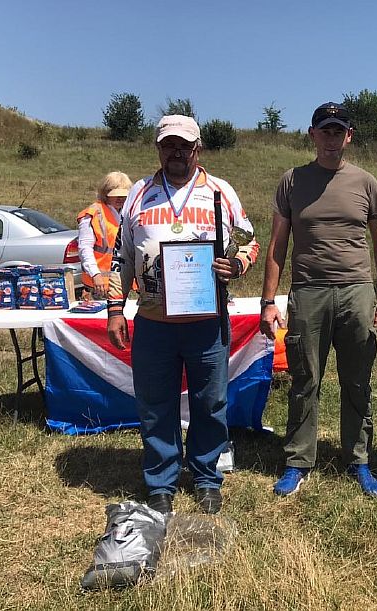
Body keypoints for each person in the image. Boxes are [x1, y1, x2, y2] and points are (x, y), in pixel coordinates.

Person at [106, 115, 259, 515]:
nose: (176, 152)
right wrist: (114, 309)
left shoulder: (221, 192)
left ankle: (207, 477)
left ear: (198, 149)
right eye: (168, 144)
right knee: (156, 404)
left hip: (206, 322)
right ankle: (161, 480)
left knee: (210, 402)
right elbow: (121, 257)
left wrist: (238, 265)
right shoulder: (139, 193)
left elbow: (250, 241)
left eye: (184, 145)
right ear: (158, 148)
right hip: (154, 321)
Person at [259, 102, 377, 497]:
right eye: (325, 131)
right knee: (304, 380)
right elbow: (277, 244)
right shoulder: (292, 181)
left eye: (339, 131)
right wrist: (269, 300)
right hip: (309, 291)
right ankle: (299, 461)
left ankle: (359, 459)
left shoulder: (366, 182)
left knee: (358, 381)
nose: (332, 139)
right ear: (312, 135)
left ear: (348, 137)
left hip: (356, 290)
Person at [77, 171, 132, 299]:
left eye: (123, 195)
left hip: (121, 283)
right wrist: (95, 275)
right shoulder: (93, 214)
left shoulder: (127, 213)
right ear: (105, 194)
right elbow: (85, 248)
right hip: (98, 287)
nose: (120, 199)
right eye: (115, 195)